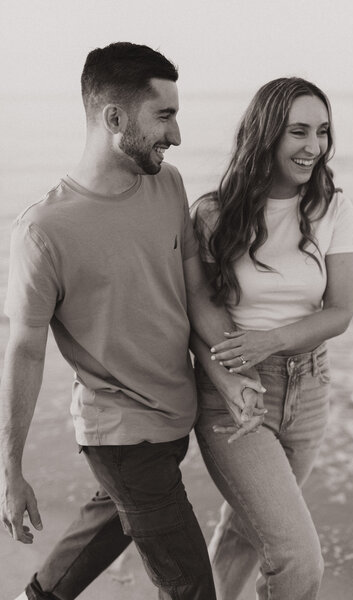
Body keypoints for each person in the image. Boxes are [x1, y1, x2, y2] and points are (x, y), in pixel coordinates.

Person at [0, 42, 266, 600]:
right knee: (191, 587)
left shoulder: (167, 185)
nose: (177, 135)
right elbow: (24, 351)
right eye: (164, 116)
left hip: (174, 417)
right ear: (115, 119)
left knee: (109, 525)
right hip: (121, 435)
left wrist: (231, 374)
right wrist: (10, 471)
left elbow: (195, 293)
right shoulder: (43, 231)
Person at [190, 77, 353, 600]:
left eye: (323, 131)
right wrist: (234, 376)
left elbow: (340, 312)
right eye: (299, 131)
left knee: (247, 530)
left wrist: (271, 340)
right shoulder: (212, 213)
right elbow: (197, 307)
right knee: (298, 560)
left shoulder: (333, 209)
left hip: (310, 391)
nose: (315, 146)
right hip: (236, 394)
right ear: (266, 134)